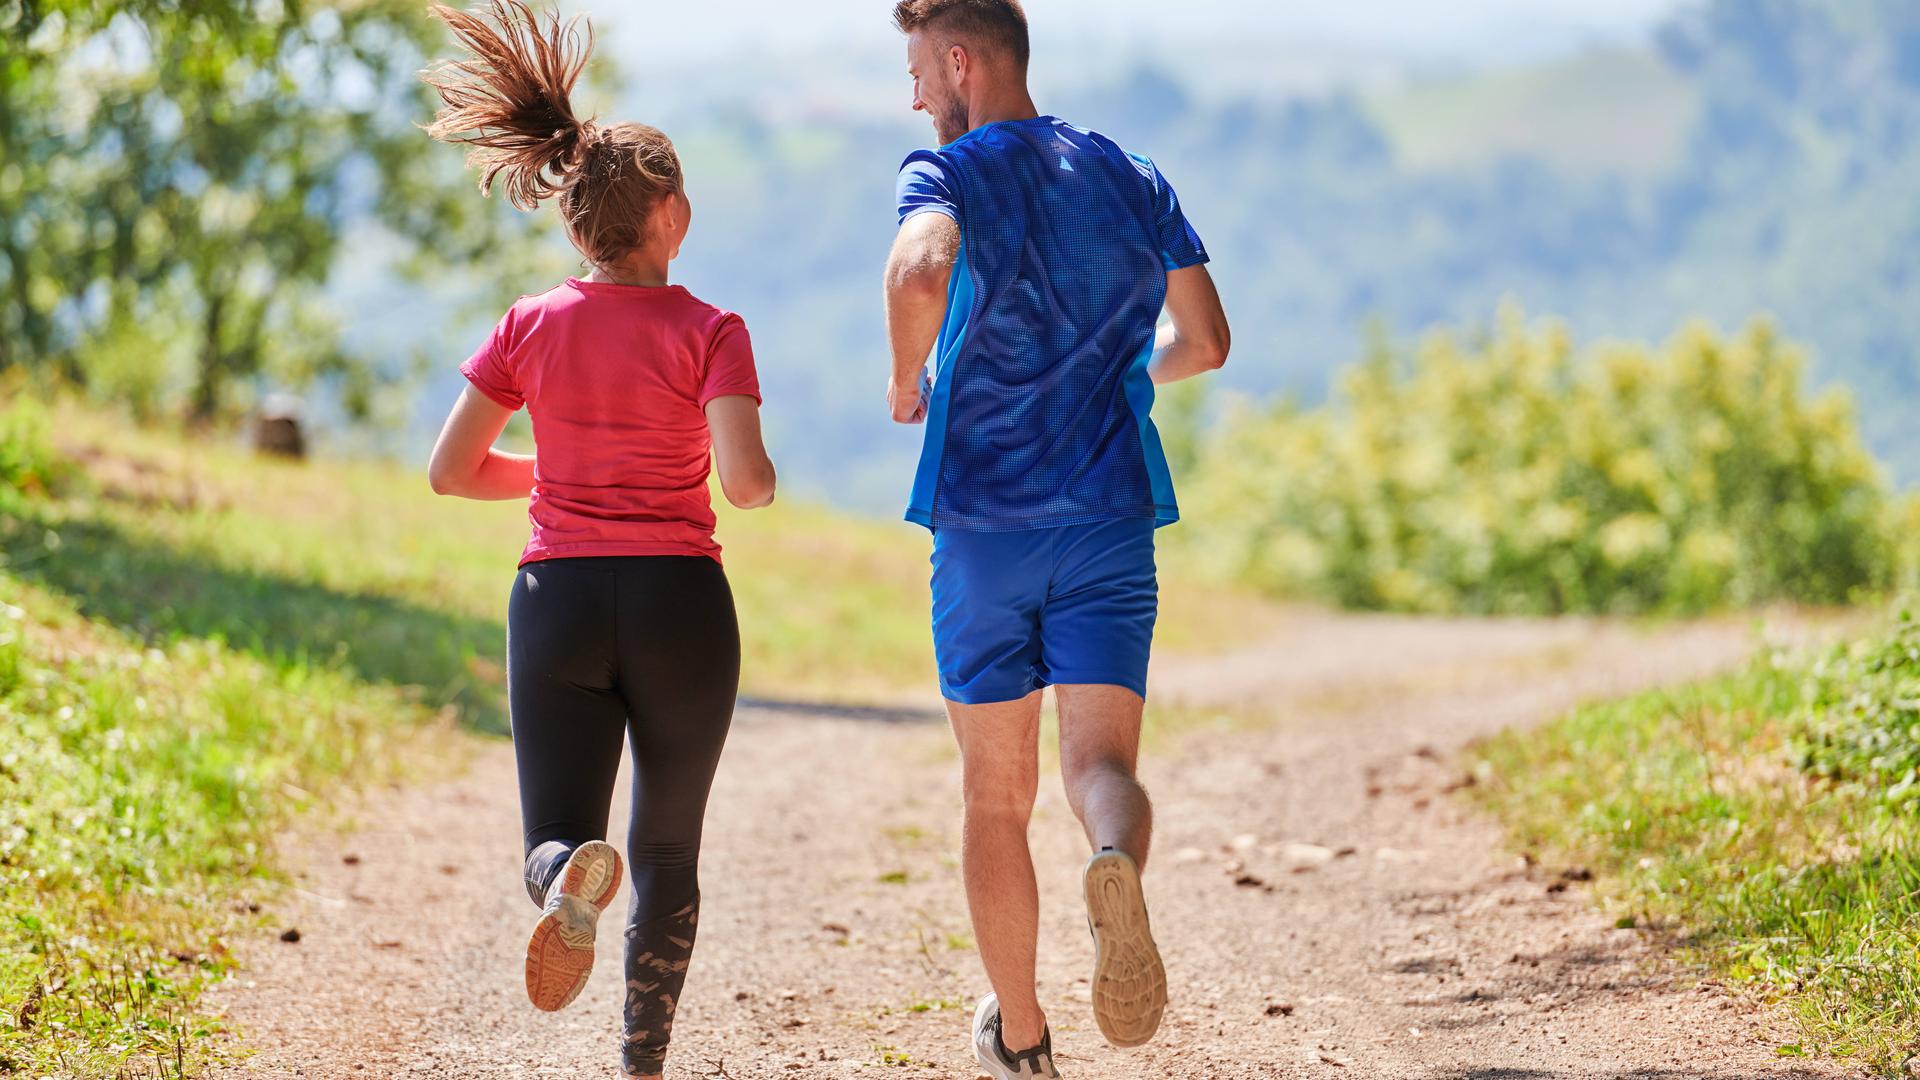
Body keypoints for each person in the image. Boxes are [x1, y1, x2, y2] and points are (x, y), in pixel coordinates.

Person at [420, 4, 776, 1077]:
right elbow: (746, 483)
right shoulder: (712, 330)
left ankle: (566, 873)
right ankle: (642, 1058)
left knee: (556, 832)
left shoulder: (528, 323)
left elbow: (451, 471)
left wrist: (567, 470)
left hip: (558, 601)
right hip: (681, 608)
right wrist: (716, 469)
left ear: (577, 222)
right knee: (668, 847)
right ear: (665, 213)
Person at [882, 1, 1233, 1076]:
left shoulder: (948, 173)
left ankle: (1023, 1035)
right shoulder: (1131, 172)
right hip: (1111, 520)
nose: (913, 97)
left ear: (957, 61)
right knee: (1101, 764)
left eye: (916, 73)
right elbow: (1208, 341)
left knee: (995, 792)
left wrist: (909, 377)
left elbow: (918, 268)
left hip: (987, 525)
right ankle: (1114, 860)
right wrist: (1129, 369)